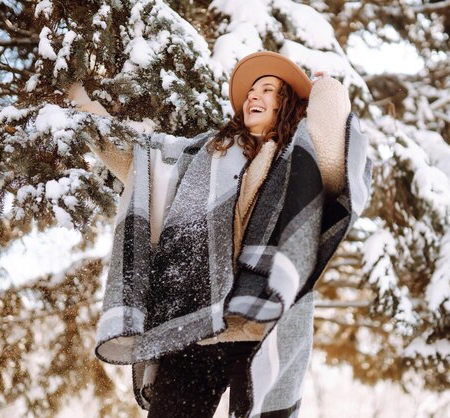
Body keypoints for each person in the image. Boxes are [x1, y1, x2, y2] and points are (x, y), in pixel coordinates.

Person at [69, 51, 372, 418]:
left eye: (268, 89)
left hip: (262, 321)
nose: (253, 96)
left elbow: (333, 162)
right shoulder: (204, 154)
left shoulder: (298, 161)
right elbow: (137, 159)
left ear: (288, 103)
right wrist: (80, 103)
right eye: (251, 91)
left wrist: (326, 89)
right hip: (195, 322)